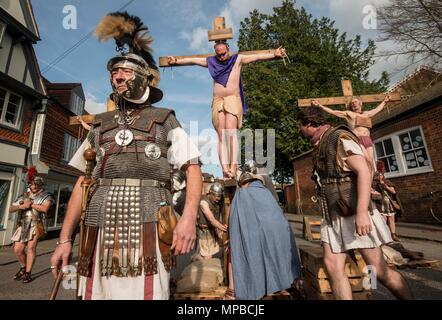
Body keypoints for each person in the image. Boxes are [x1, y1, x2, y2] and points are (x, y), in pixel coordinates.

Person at [50, 12, 202, 300]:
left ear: (144, 78)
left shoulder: (165, 120)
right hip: (98, 228)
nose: (117, 77)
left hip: (149, 224)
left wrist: (189, 218)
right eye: (113, 73)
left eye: (125, 72)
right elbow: (82, 184)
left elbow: (193, 168)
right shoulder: (99, 125)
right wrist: (64, 239)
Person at [296, 107, 413, 300]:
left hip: (353, 212)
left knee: (378, 271)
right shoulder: (321, 143)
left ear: (309, 123)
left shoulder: (339, 138)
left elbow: (364, 172)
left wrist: (361, 213)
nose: (299, 130)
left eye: (300, 125)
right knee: (333, 266)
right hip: (332, 215)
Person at [167, 43, 287, 179]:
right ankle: (225, 168)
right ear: (215, 52)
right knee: (221, 135)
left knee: (231, 132)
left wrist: (274, 54)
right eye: (219, 54)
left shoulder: (238, 59)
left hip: (232, 98)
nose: (222, 57)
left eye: (224, 53)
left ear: (228, 49)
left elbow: (257, 57)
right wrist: (176, 60)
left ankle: (233, 166)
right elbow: (194, 60)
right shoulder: (211, 62)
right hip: (218, 100)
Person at [226, 167, 302, 300]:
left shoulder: (242, 195)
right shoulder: (266, 193)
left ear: (244, 183)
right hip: (279, 235)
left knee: (235, 248)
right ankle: (290, 278)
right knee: (277, 246)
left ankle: (232, 290)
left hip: (257, 234)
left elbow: (237, 226)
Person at [311, 95, 390, 168]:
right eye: (352, 103)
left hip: (367, 139)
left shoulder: (366, 114)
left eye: (355, 102)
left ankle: (371, 181)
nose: (353, 104)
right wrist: (320, 105)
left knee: (371, 163)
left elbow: (377, 109)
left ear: (360, 103)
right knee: (365, 161)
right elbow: (333, 112)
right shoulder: (349, 114)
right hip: (356, 140)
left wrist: (385, 101)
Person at [10, 167, 54, 283]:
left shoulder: (46, 195)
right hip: (23, 224)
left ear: (41, 186)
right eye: (32, 184)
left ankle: (28, 273)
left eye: (36, 185)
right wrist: (20, 206)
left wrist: (30, 204)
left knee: (31, 248)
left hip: (36, 224)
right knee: (17, 249)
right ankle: (23, 268)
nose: (34, 187)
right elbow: (11, 208)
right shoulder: (24, 195)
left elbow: (45, 208)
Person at [197, 182, 226, 260]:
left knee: (218, 250)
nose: (219, 198)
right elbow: (211, 220)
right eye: (217, 196)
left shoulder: (218, 201)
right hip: (205, 231)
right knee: (207, 256)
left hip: (214, 229)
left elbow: (223, 212)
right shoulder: (203, 202)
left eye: (220, 196)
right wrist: (224, 228)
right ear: (211, 194)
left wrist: (224, 224)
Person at [372, 171, 402, 242]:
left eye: (381, 175)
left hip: (389, 202)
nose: (380, 176)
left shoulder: (387, 181)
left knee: (391, 219)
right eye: (378, 175)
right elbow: (371, 191)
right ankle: (384, 235)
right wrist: (377, 193)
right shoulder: (373, 183)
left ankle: (393, 235)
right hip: (380, 204)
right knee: (383, 220)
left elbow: (393, 192)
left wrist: (385, 186)